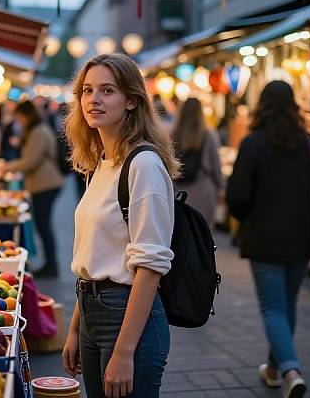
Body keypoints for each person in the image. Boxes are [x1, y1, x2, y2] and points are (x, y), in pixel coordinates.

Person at [62, 53, 179, 397]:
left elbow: (150, 266)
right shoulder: (101, 162)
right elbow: (92, 254)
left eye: (107, 90)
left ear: (131, 100)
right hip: (91, 311)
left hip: (126, 318)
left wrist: (125, 351)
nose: (94, 99)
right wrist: (75, 327)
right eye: (87, 90)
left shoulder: (142, 164)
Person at [226, 81, 310, 398]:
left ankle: (290, 370)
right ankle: (274, 369)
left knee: (273, 308)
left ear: (262, 105)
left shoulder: (253, 144)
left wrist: (248, 217)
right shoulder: (309, 143)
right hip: (302, 238)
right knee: (287, 305)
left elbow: (237, 197)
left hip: (264, 239)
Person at [4, 101, 63, 277]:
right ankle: (50, 264)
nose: (18, 121)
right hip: (43, 184)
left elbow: (30, 161)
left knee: (43, 225)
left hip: (46, 184)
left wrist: (7, 167)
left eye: (19, 117)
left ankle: (51, 265)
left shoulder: (38, 132)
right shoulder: (38, 130)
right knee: (43, 224)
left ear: (27, 115)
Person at [172, 97, 223, 228]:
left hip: (179, 192)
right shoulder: (208, 135)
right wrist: (220, 188)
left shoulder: (172, 135)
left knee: (182, 234)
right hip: (204, 189)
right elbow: (216, 166)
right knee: (204, 236)